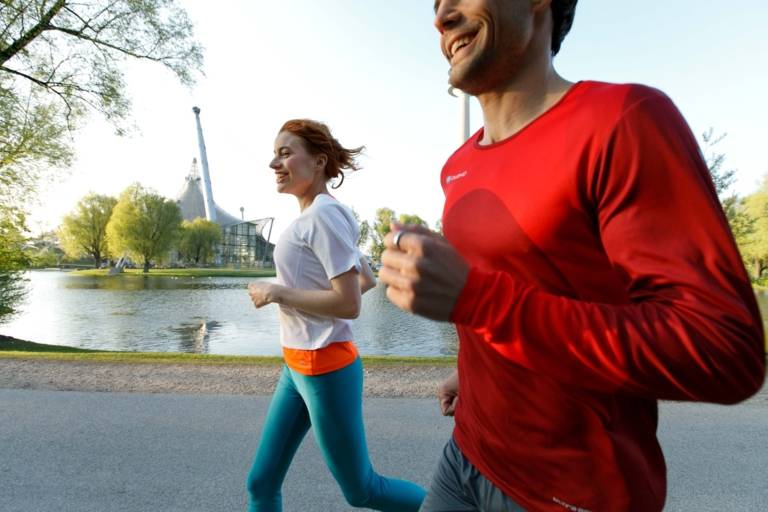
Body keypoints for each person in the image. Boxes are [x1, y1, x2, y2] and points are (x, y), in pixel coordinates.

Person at [379, 1, 766, 511]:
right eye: (434, 3)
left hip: (568, 493)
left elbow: (724, 353)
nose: (441, 15)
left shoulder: (624, 120)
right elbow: (530, 289)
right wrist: (476, 369)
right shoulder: (458, 164)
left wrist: (478, 301)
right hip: (465, 453)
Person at [245, 119, 426, 512]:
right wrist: (295, 297)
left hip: (323, 367)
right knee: (261, 483)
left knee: (364, 490)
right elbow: (366, 279)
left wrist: (278, 293)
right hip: (296, 367)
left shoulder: (323, 216)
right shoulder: (318, 215)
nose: (274, 163)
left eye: (286, 153)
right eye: (275, 154)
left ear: (319, 161)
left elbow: (349, 303)